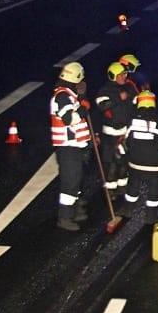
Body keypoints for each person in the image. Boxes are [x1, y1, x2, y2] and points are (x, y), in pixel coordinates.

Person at [50, 62, 92, 231]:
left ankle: (74, 211)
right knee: (70, 182)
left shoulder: (69, 94)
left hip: (75, 146)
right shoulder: (62, 96)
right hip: (68, 147)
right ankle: (65, 217)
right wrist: (83, 108)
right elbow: (69, 119)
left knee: (76, 180)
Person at [116, 91, 158, 224]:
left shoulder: (133, 122)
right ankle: (150, 218)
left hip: (136, 164)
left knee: (132, 188)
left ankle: (127, 210)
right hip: (155, 166)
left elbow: (126, 140)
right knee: (154, 192)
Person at [94, 62, 135, 199]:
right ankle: (110, 191)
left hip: (125, 132)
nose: (125, 76)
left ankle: (122, 187)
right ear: (114, 76)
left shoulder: (128, 88)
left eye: (125, 74)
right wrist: (118, 98)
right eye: (121, 74)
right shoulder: (105, 91)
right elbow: (103, 105)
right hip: (110, 135)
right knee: (111, 163)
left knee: (123, 162)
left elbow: (135, 105)